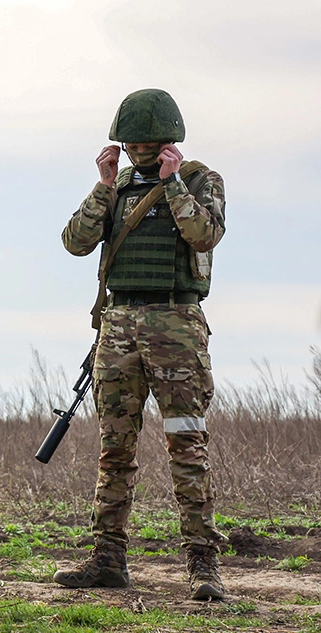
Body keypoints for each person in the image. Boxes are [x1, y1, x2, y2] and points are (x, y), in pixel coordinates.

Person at [56, 88, 226, 601]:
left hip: (176, 321)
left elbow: (205, 234)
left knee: (187, 445)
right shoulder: (119, 185)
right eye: (128, 142)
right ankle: (107, 558)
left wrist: (173, 182)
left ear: (167, 140)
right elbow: (75, 241)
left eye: (144, 141)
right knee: (115, 449)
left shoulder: (200, 180)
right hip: (119, 323)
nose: (135, 150)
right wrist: (104, 186)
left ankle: (202, 564)